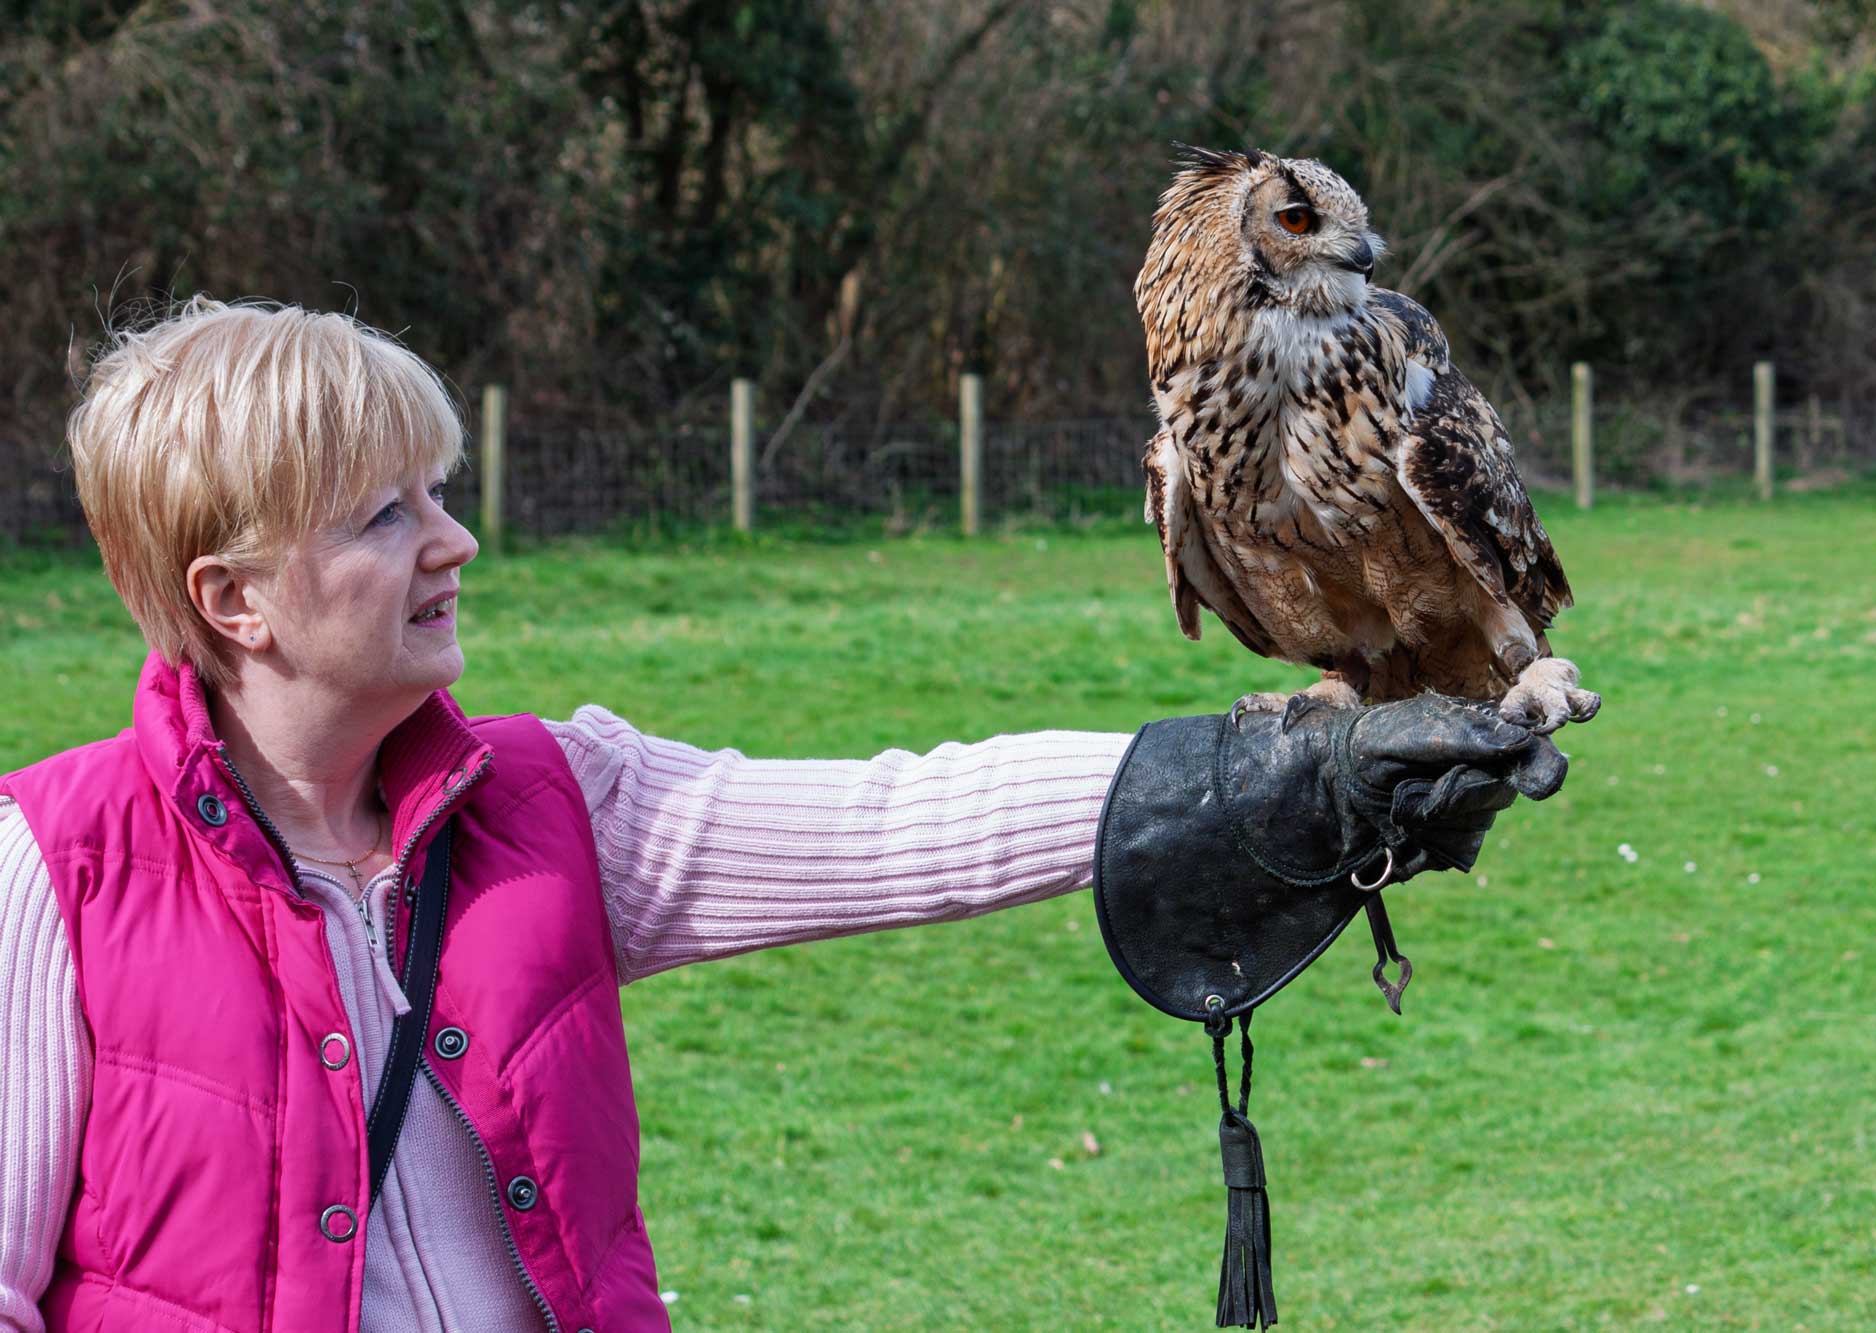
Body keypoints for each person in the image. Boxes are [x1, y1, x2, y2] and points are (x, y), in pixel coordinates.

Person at [0, 299, 1562, 1333]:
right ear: (236, 598)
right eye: (385, 513)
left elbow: (899, 822)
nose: (454, 541)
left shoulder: (555, 806)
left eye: (441, 492)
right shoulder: (52, 873)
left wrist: (1265, 769)